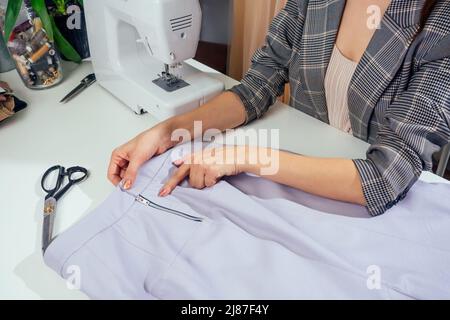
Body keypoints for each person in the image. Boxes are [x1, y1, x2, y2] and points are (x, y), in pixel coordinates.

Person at [108, 0, 450, 216]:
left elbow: (384, 176)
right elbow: (259, 84)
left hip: (358, 204)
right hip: (293, 175)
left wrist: (247, 157)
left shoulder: (441, 23)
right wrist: (171, 131)